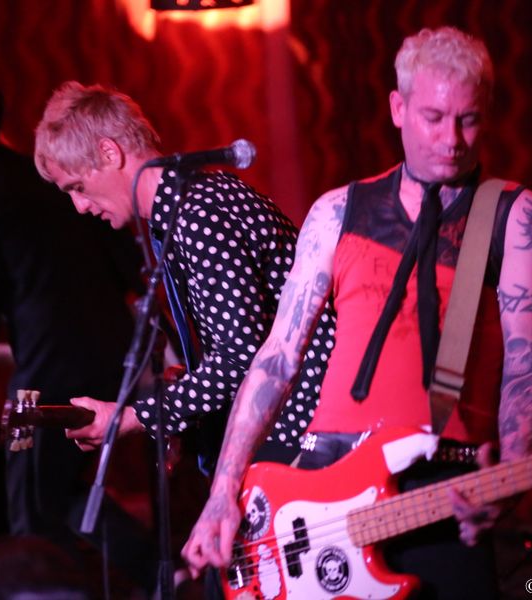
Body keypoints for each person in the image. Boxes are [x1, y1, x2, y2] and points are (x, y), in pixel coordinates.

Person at [182, 26, 532, 599]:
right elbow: (277, 358)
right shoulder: (338, 210)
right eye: (434, 117)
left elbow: (525, 361)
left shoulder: (513, 213)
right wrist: (221, 493)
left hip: (443, 487)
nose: (452, 139)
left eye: (469, 119)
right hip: (319, 483)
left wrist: (512, 477)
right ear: (398, 109)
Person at [0, 80, 156, 592]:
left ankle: (67, 587)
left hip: (43, 377)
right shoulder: (55, 177)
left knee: (29, 506)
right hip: (115, 354)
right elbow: (125, 263)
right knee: (58, 491)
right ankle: (160, 570)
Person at [33, 81, 337, 469]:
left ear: (109, 152)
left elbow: (239, 358)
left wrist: (133, 417)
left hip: (309, 432)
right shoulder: (189, 208)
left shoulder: (199, 215)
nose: (79, 206)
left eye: (77, 187)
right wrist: (188, 394)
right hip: (293, 423)